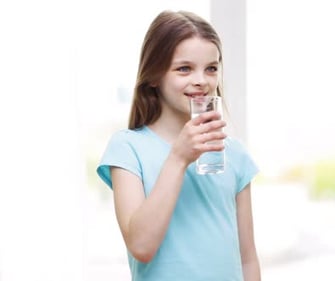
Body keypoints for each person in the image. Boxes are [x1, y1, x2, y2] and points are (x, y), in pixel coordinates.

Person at [96, 10, 261, 281]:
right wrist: (179, 157)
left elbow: (247, 259)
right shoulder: (127, 149)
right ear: (153, 76)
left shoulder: (235, 154)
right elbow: (141, 246)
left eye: (211, 68)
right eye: (184, 68)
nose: (201, 80)